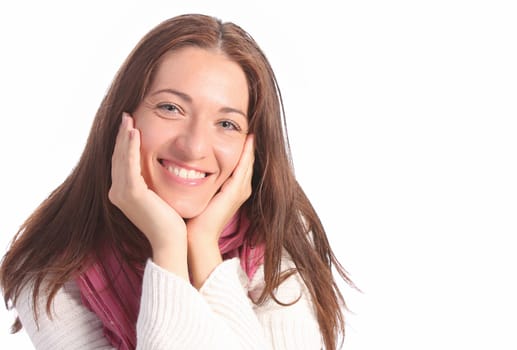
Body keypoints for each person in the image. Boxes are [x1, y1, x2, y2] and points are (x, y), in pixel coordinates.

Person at [0, 13, 353, 350]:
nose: (194, 146)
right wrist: (169, 245)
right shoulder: (51, 272)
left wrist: (202, 246)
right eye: (170, 108)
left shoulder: (279, 246)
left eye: (226, 124)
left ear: (252, 149)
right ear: (124, 118)